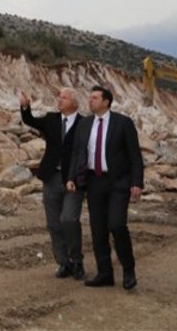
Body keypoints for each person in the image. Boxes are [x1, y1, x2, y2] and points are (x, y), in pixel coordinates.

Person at [67, 85, 144, 290]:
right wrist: (72, 177)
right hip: (94, 182)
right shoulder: (84, 124)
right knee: (98, 230)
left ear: (106, 102)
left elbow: (135, 155)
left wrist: (137, 182)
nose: (90, 100)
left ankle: (128, 270)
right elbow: (77, 153)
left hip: (118, 182)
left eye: (94, 97)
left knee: (117, 225)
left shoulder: (123, 123)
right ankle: (105, 273)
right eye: (90, 97)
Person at [20, 88, 85, 280]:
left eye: (64, 98)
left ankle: (77, 260)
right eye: (59, 97)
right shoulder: (51, 119)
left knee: (69, 220)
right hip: (51, 177)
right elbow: (30, 121)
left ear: (74, 103)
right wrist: (25, 107)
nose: (60, 100)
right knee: (54, 224)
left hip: (74, 180)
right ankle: (64, 263)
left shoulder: (85, 124)